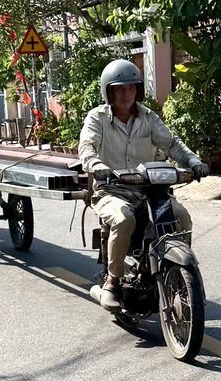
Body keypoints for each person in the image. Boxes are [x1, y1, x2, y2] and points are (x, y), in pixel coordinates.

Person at [78, 59, 210, 312]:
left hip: (149, 189)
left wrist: (193, 161)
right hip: (111, 190)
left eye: (131, 88)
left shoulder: (148, 118)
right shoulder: (97, 118)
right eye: (119, 88)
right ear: (109, 91)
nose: (126, 93)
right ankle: (112, 281)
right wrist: (96, 165)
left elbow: (172, 145)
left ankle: (177, 272)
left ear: (137, 90)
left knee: (182, 218)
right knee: (124, 219)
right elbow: (87, 148)